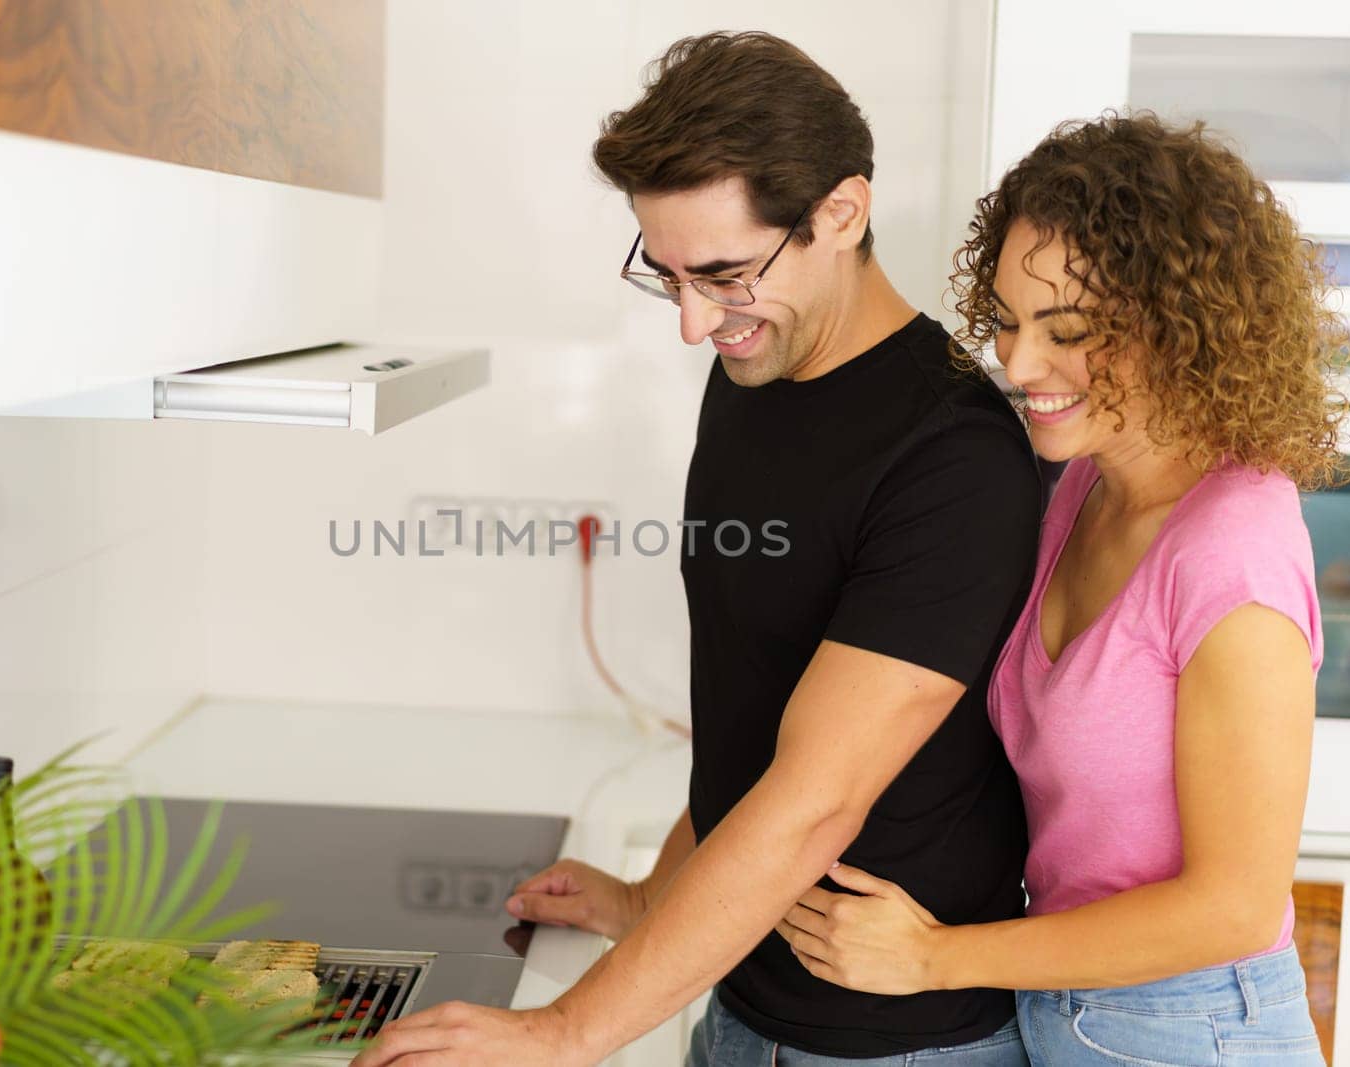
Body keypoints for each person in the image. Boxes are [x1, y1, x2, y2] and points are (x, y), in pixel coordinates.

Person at [353, 32, 1042, 1066]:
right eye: (664, 273)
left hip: (886, 1044)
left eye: (722, 273)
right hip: (743, 1003)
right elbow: (756, 711)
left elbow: (816, 801)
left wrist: (564, 1028)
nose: (691, 322)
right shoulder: (755, 366)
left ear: (841, 213)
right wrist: (649, 896)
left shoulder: (953, 460)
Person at [777, 113, 1345, 1066]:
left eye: (1068, 331)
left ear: (1183, 324)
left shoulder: (1229, 554)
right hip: (1069, 1010)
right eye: (1005, 319)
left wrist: (934, 958)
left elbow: (1233, 907)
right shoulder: (1083, 481)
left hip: (1196, 1027)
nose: (1020, 363)